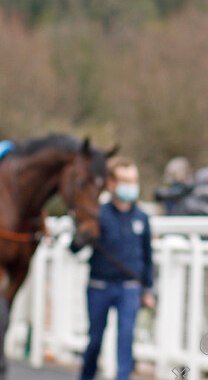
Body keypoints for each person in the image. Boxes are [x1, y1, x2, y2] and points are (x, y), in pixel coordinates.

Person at [71, 156, 155, 380]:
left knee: (126, 339)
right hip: (99, 286)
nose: (131, 186)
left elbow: (148, 256)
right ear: (111, 183)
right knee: (95, 340)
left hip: (129, 288)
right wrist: (80, 236)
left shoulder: (142, 217)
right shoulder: (98, 213)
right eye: (126, 180)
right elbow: (74, 247)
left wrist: (148, 290)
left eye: (134, 180)